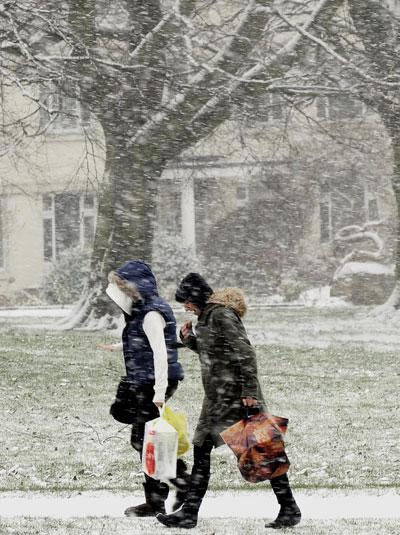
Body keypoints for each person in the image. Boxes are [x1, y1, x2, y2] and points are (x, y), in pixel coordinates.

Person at [156, 272, 301, 530]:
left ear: (197, 296)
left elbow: (245, 353)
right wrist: (190, 341)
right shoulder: (207, 317)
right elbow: (215, 352)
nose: (186, 307)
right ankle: (190, 512)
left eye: (187, 301)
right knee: (222, 449)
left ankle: (288, 507)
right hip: (216, 399)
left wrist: (250, 393)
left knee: (260, 451)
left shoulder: (221, 314)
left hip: (235, 398)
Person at [102, 260, 189, 517]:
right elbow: (146, 341)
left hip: (154, 382)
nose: (124, 291)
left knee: (144, 439)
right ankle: (173, 486)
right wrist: (118, 347)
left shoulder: (151, 313)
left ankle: (175, 488)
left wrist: (159, 394)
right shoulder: (141, 309)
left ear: (138, 285)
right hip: (145, 379)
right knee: (146, 439)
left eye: (125, 286)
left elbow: (160, 353)